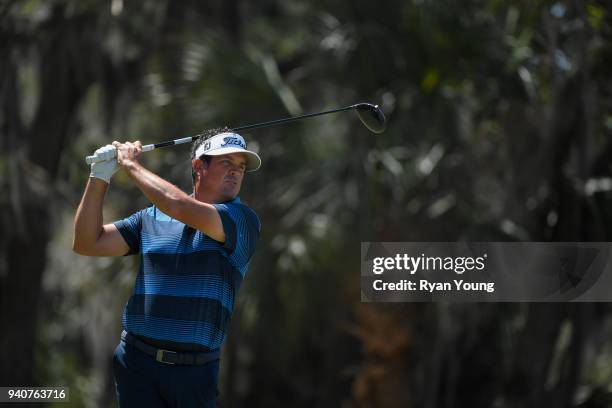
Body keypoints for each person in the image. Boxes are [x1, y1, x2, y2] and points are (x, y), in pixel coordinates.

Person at [72, 130, 261, 407]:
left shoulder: (242, 221)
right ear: (199, 166)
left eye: (241, 167)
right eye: (226, 163)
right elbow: (88, 242)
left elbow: (179, 206)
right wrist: (99, 177)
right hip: (137, 364)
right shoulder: (151, 217)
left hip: (194, 373)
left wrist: (131, 165)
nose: (235, 172)